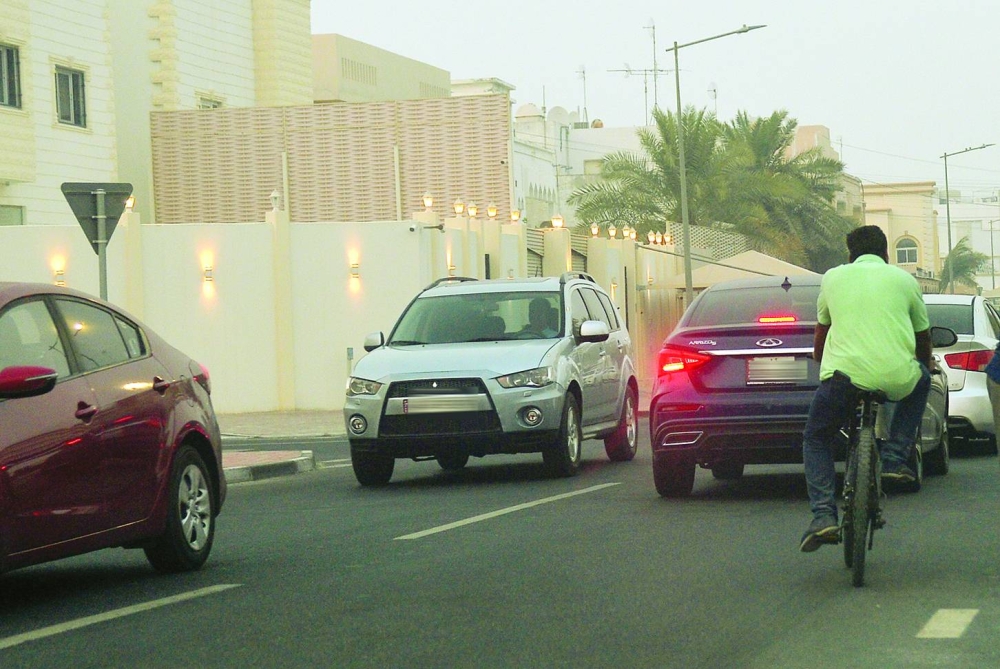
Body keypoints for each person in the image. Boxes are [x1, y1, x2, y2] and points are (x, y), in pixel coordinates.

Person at [800, 225, 933, 552]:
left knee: (816, 437)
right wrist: (923, 365)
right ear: (886, 253)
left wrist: (820, 359)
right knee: (924, 378)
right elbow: (923, 337)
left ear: (850, 255)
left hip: (843, 379)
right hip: (895, 376)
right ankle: (894, 458)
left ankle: (823, 516)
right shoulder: (905, 280)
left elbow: (822, 332)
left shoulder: (832, 278)